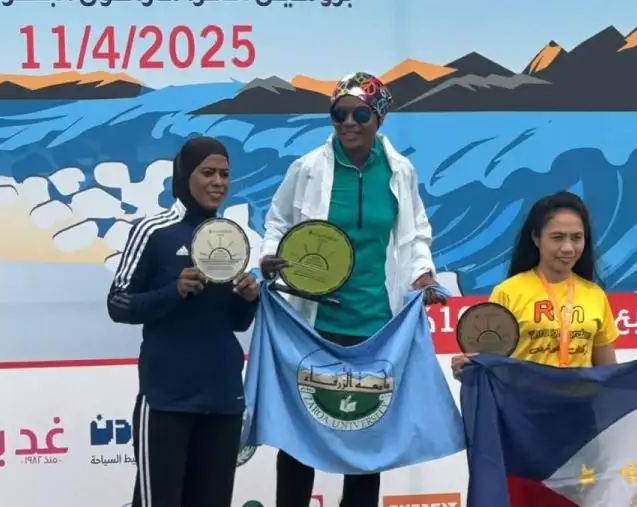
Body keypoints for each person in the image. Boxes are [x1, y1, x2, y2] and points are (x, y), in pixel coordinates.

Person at [259, 72, 445, 507]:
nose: (348, 122)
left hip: (376, 327)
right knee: (299, 440)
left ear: (379, 117)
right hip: (313, 324)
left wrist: (422, 273)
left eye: (360, 114)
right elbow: (278, 223)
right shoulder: (307, 168)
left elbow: (415, 234)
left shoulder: (400, 171)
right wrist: (270, 256)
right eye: (338, 113)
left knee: (366, 441)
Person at [106, 136, 259, 507]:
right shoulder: (154, 231)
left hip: (223, 399)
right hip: (167, 400)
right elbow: (118, 303)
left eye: (224, 174)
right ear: (185, 175)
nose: (218, 182)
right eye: (207, 173)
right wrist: (174, 290)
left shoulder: (228, 238)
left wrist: (248, 300)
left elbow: (235, 323)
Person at [451, 191, 618, 377]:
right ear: (536, 238)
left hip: (580, 397)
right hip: (522, 395)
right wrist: (468, 369)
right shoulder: (508, 292)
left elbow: (608, 373)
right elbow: (489, 365)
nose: (568, 248)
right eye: (557, 237)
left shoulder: (595, 295)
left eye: (577, 237)